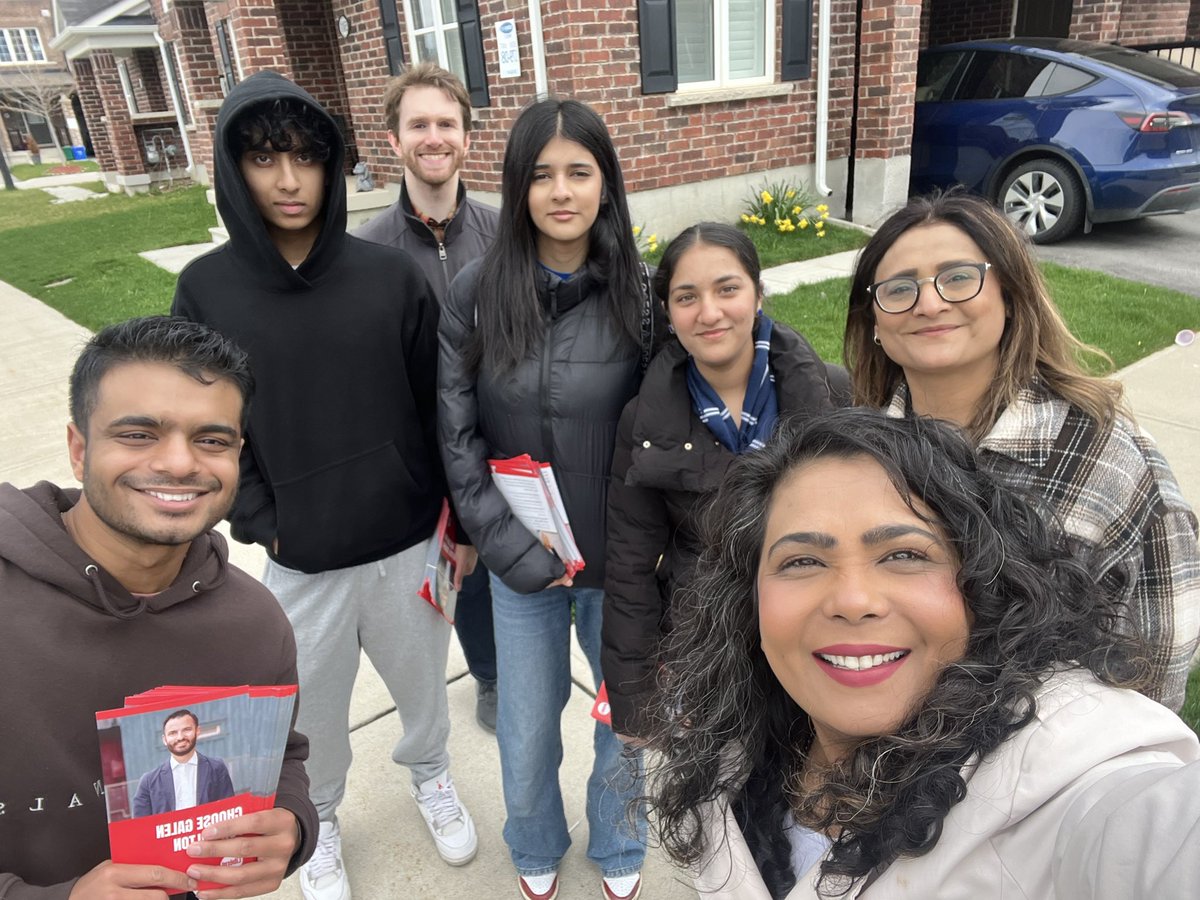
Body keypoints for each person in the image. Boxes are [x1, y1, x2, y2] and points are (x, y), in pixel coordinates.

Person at [643, 407, 1200, 899]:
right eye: (802, 561)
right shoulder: (734, 749)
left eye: (904, 554)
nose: (853, 600)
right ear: (750, 599)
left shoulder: (1072, 775)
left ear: (981, 584)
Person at [171, 72, 475, 900]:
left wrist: (453, 519)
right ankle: (325, 815)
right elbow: (202, 433)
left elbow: (436, 410)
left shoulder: (390, 278)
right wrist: (268, 522)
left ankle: (432, 775)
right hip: (302, 559)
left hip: (407, 540)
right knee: (311, 712)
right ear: (237, 169)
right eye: (265, 158)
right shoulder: (207, 291)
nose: (288, 179)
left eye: (306, 157)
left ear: (332, 166)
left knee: (423, 688)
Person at [843, 190, 1200, 711]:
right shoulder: (855, 460)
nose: (929, 303)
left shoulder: (1113, 467)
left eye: (959, 277)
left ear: (1009, 295)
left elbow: (1154, 679)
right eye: (899, 288)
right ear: (875, 321)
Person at [0, 315, 317, 898]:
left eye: (212, 440)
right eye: (139, 434)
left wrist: (294, 828)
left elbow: (283, 756)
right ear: (78, 448)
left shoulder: (254, 622)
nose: (179, 464)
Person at [438, 97, 651, 900]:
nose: (561, 191)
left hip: (622, 557)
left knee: (624, 719)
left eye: (579, 172)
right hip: (518, 557)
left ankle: (623, 832)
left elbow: (666, 432)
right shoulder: (475, 294)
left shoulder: (643, 293)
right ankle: (532, 834)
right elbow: (457, 438)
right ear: (517, 187)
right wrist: (508, 548)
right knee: (525, 730)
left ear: (606, 184)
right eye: (541, 175)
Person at [602, 222, 846, 741]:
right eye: (686, 297)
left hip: (818, 642)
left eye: (727, 289)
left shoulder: (831, 393)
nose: (709, 313)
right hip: (709, 653)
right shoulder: (646, 420)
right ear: (668, 311)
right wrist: (634, 702)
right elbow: (630, 566)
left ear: (758, 294)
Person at [354, 62, 501, 733]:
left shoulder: (505, 236)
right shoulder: (367, 253)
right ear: (395, 140)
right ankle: (491, 675)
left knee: (514, 561)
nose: (434, 137)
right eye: (419, 124)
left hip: (505, 438)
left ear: (468, 137)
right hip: (422, 456)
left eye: (447, 123)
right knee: (459, 575)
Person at [131, 709, 236, 817]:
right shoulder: (148, 782)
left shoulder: (217, 768)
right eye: (172, 733)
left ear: (197, 731)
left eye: (187, 730)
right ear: (164, 739)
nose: (180, 737)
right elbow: (140, 828)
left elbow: (229, 813)